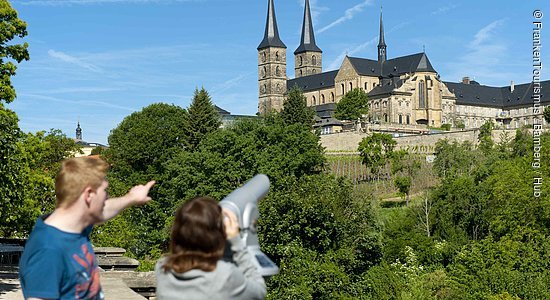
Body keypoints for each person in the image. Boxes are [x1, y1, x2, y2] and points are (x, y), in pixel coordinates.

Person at [18, 157, 155, 300]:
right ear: (89, 195)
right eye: (105, 191)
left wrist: (131, 198)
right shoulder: (48, 249)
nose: (107, 197)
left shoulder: (75, 226)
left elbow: (104, 210)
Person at [155, 196, 266, 300]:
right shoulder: (225, 275)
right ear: (217, 234)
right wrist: (235, 242)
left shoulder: (163, 268)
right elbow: (259, 291)